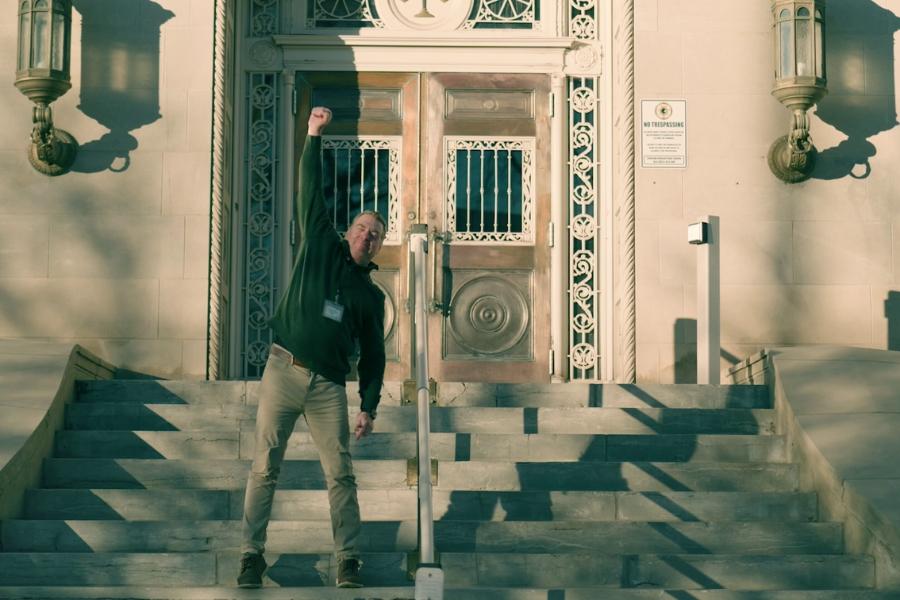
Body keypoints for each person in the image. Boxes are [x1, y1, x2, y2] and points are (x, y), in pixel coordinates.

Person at [237, 106, 386, 589]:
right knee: (264, 468)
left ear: (379, 248)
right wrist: (313, 135)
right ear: (348, 231)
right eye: (362, 228)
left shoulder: (370, 296)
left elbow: (374, 354)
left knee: (340, 474)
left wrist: (369, 406)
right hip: (284, 370)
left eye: (376, 235)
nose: (367, 236)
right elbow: (309, 189)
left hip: (327, 388)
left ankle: (347, 559)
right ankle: (250, 555)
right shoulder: (320, 243)